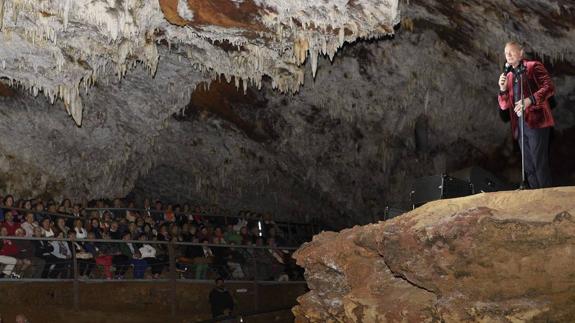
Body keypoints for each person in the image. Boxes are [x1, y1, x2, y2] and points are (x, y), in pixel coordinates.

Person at [498, 41, 555, 189]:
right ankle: (535, 195)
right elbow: (504, 105)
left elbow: (549, 87)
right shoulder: (509, 76)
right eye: (506, 53)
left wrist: (530, 100)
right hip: (520, 125)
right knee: (528, 164)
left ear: (521, 53)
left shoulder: (533, 66)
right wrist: (502, 89)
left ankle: (547, 195)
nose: (508, 55)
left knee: (538, 162)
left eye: (511, 51)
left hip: (537, 122)